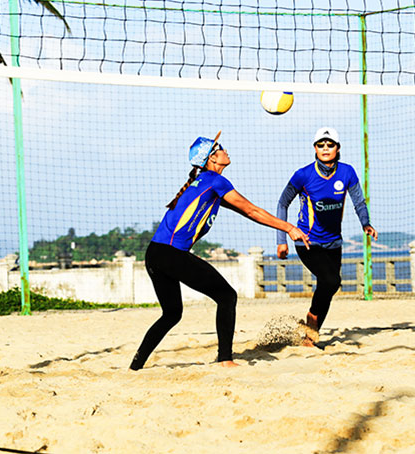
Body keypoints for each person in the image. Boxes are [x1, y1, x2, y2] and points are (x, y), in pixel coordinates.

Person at [130, 131, 310, 370]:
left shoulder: (204, 183)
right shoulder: (216, 181)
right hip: (170, 254)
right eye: (220, 148)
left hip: (154, 254)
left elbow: (247, 212)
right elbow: (251, 210)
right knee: (227, 296)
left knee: (172, 314)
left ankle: (136, 365)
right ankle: (225, 359)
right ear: (212, 159)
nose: (226, 150)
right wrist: (289, 227)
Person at [276, 127, 377, 344]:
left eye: (330, 144)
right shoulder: (303, 174)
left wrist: (365, 223)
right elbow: (283, 203)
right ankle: (311, 323)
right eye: (321, 145)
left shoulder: (347, 172)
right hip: (307, 241)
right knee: (331, 280)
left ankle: (309, 336)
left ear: (337, 148)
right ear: (314, 148)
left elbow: (358, 201)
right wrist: (282, 239)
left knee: (329, 286)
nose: (325, 148)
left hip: (334, 242)